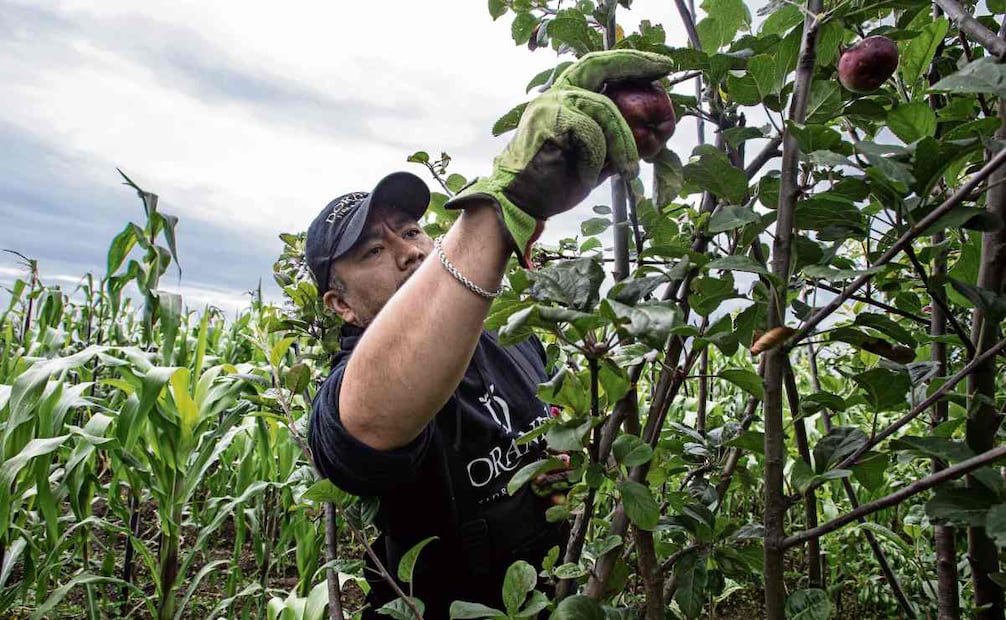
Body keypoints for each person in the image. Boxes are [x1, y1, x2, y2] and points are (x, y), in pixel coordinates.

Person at [305, 50, 673, 618]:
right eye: (375, 250)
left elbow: (556, 431)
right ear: (341, 305)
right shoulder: (356, 386)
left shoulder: (509, 330)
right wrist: (506, 203)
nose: (409, 251)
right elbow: (368, 421)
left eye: (410, 230)